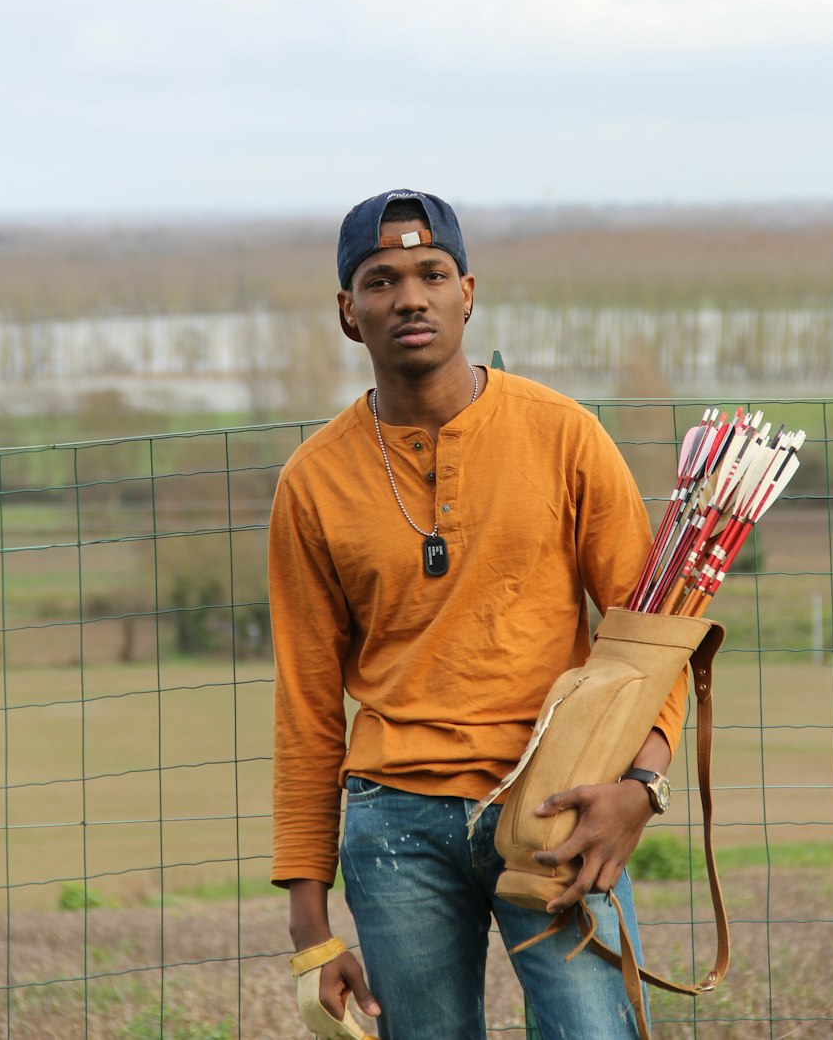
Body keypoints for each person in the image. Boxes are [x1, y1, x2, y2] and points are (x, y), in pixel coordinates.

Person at [269, 189, 687, 1040]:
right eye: (381, 280)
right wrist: (312, 930)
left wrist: (640, 788)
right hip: (393, 826)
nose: (410, 296)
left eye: (431, 273)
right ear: (350, 313)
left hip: (558, 803)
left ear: (469, 292)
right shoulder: (312, 483)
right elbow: (307, 708)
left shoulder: (564, 436)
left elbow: (652, 635)